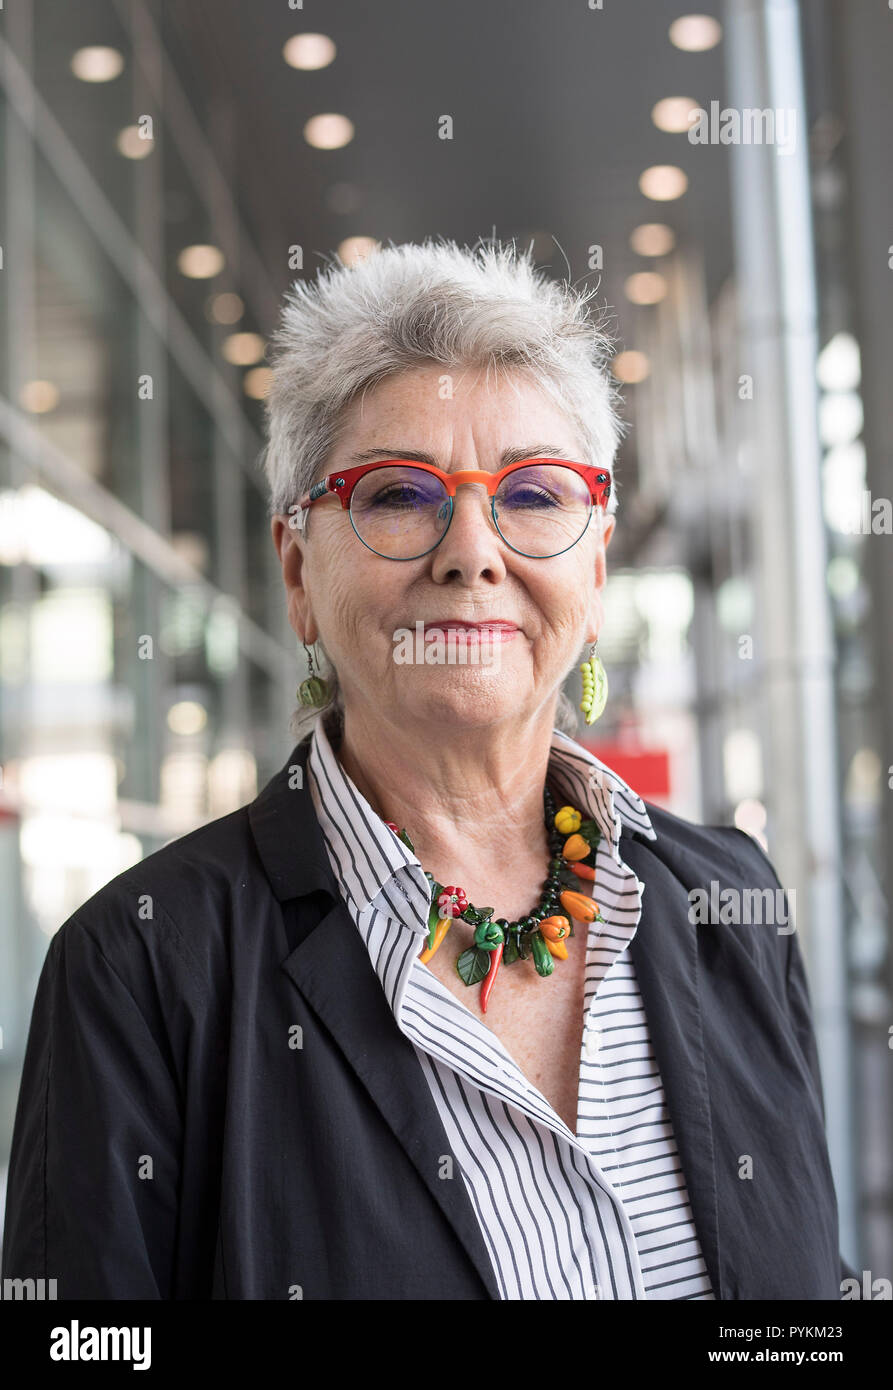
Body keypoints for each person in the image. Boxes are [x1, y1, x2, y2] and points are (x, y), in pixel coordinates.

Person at [2, 238, 852, 1299]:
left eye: (533, 494)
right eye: (399, 493)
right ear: (297, 570)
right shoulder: (138, 968)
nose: (471, 549)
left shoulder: (729, 901)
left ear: (592, 565)